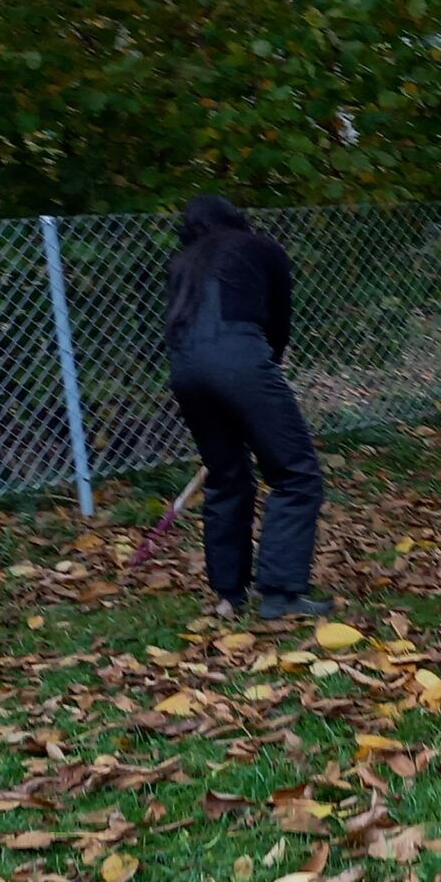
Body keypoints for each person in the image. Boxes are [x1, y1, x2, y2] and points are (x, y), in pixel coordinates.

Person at [163, 195, 332, 617]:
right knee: (296, 472)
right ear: (237, 218)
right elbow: (279, 320)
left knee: (226, 476)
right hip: (240, 359)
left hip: (184, 369)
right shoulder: (260, 248)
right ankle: (279, 592)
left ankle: (229, 592)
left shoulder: (181, 262)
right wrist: (263, 369)